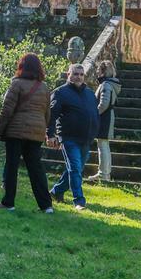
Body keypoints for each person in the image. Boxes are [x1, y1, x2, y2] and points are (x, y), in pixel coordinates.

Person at [0, 53, 52, 213]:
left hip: (16, 132)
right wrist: (43, 129)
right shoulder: (44, 87)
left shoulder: (16, 83)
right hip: (36, 132)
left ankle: (8, 202)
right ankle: (46, 205)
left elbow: (7, 110)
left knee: (12, 166)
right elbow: (47, 112)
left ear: (21, 66)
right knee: (36, 169)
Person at [49, 63, 99, 210]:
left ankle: (56, 192)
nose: (78, 77)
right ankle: (79, 201)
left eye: (81, 74)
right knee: (75, 168)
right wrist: (50, 135)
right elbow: (51, 116)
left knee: (74, 169)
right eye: (75, 74)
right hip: (69, 138)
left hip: (86, 139)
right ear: (68, 74)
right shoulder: (60, 93)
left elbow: (94, 114)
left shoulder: (89, 93)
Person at [92, 60, 121, 182]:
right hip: (107, 116)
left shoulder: (105, 85)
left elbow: (104, 104)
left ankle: (103, 174)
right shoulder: (109, 84)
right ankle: (104, 173)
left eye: (99, 70)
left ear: (103, 71)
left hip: (104, 117)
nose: (97, 72)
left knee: (102, 145)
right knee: (104, 145)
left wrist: (94, 114)